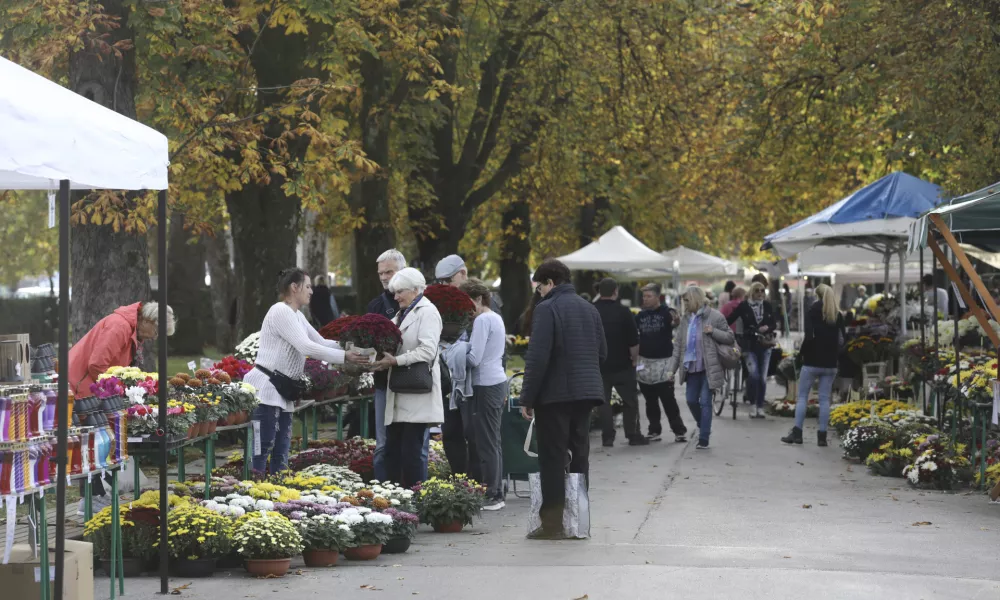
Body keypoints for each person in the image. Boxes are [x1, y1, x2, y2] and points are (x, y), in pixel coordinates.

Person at [245, 269, 368, 474]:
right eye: (308, 286)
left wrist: (351, 347)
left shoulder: (297, 315)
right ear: (295, 287)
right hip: (267, 388)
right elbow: (306, 347)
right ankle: (253, 488)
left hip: (284, 389)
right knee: (263, 446)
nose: (312, 291)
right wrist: (345, 357)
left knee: (282, 448)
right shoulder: (280, 311)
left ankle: (278, 490)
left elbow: (319, 341)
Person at [520, 259, 607, 539]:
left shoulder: (548, 309)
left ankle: (553, 524)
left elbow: (537, 358)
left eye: (540, 287)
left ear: (550, 282)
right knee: (579, 455)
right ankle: (579, 518)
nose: (539, 293)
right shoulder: (589, 308)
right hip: (585, 393)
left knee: (552, 458)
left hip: (555, 395)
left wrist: (527, 398)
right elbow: (602, 352)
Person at [69, 301, 175, 507]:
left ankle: (97, 496)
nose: (155, 337)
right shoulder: (119, 326)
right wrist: (116, 393)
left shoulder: (131, 328)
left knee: (100, 442)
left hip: (91, 387)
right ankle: (92, 500)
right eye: (156, 331)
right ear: (148, 320)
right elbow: (97, 364)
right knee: (94, 442)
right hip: (82, 386)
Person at [372, 268, 444, 487]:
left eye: (399, 292)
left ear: (415, 290)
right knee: (393, 451)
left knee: (412, 454)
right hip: (400, 392)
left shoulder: (428, 312)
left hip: (417, 393)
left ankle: (414, 504)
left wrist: (396, 361)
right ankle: (395, 503)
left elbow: (428, 350)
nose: (395, 297)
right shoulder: (402, 313)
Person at [461, 278, 508, 510]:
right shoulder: (496, 318)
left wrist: (454, 352)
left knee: (486, 441)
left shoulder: (482, 321)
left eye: (468, 303)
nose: (466, 310)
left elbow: (474, 359)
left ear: (479, 299)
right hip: (497, 381)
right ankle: (496, 489)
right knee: (493, 440)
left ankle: (493, 493)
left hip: (485, 384)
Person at [668, 286, 734, 450]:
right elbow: (678, 347)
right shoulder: (685, 320)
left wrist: (713, 331)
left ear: (696, 299)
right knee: (691, 400)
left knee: (705, 401)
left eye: (687, 300)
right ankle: (704, 425)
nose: (684, 304)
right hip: (691, 368)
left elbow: (730, 337)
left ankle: (704, 437)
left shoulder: (715, 316)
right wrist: (671, 369)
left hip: (709, 367)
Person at [782, 283, 845, 446]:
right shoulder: (837, 315)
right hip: (830, 363)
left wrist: (801, 354)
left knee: (802, 396)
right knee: (824, 399)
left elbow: (809, 337)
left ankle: (797, 433)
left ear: (817, 295)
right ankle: (822, 436)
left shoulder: (812, 311)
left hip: (812, 361)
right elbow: (842, 340)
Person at [367, 249, 406, 481]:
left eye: (388, 271)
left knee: (412, 445)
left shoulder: (420, 303)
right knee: (382, 444)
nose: (383, 277)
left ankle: (410, 494)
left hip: (413, 384)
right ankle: (383, 496)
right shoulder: (375, 305)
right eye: (380, 272)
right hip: (384, 383)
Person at [594, 277, 646, 447]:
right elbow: (633, 341)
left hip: (599, 365)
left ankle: (607, 437)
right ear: (615, 291)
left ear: (599, 292)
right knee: (630, 401)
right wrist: (634, 360)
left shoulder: (592, 310)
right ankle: (632, 434)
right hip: (623, 364)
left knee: (603, 403)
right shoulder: (624, 312)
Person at [635, 283, 687, 443]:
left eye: (649, 296)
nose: (645, 299)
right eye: (644, 296)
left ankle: (679, 430)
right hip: (644, 362)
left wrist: (676, 321)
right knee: (650, 399)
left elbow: (675, 323)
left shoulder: (667, 313)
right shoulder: (640, 316)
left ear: (658, 297)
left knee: (667, 397)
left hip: (664, 361)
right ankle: (654, 429)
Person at [726, 282, 778, 418]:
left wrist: (767, 327)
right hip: (749, 345)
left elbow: (774, 323)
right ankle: (753, 404)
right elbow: (730, 319)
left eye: (762, 290)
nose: (760, 293)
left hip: (765, 345)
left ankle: (760, 407)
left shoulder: (766, 305)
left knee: (762, 378)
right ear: (751, 292)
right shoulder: (744, 306)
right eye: (757, 291)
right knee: (754, 375)